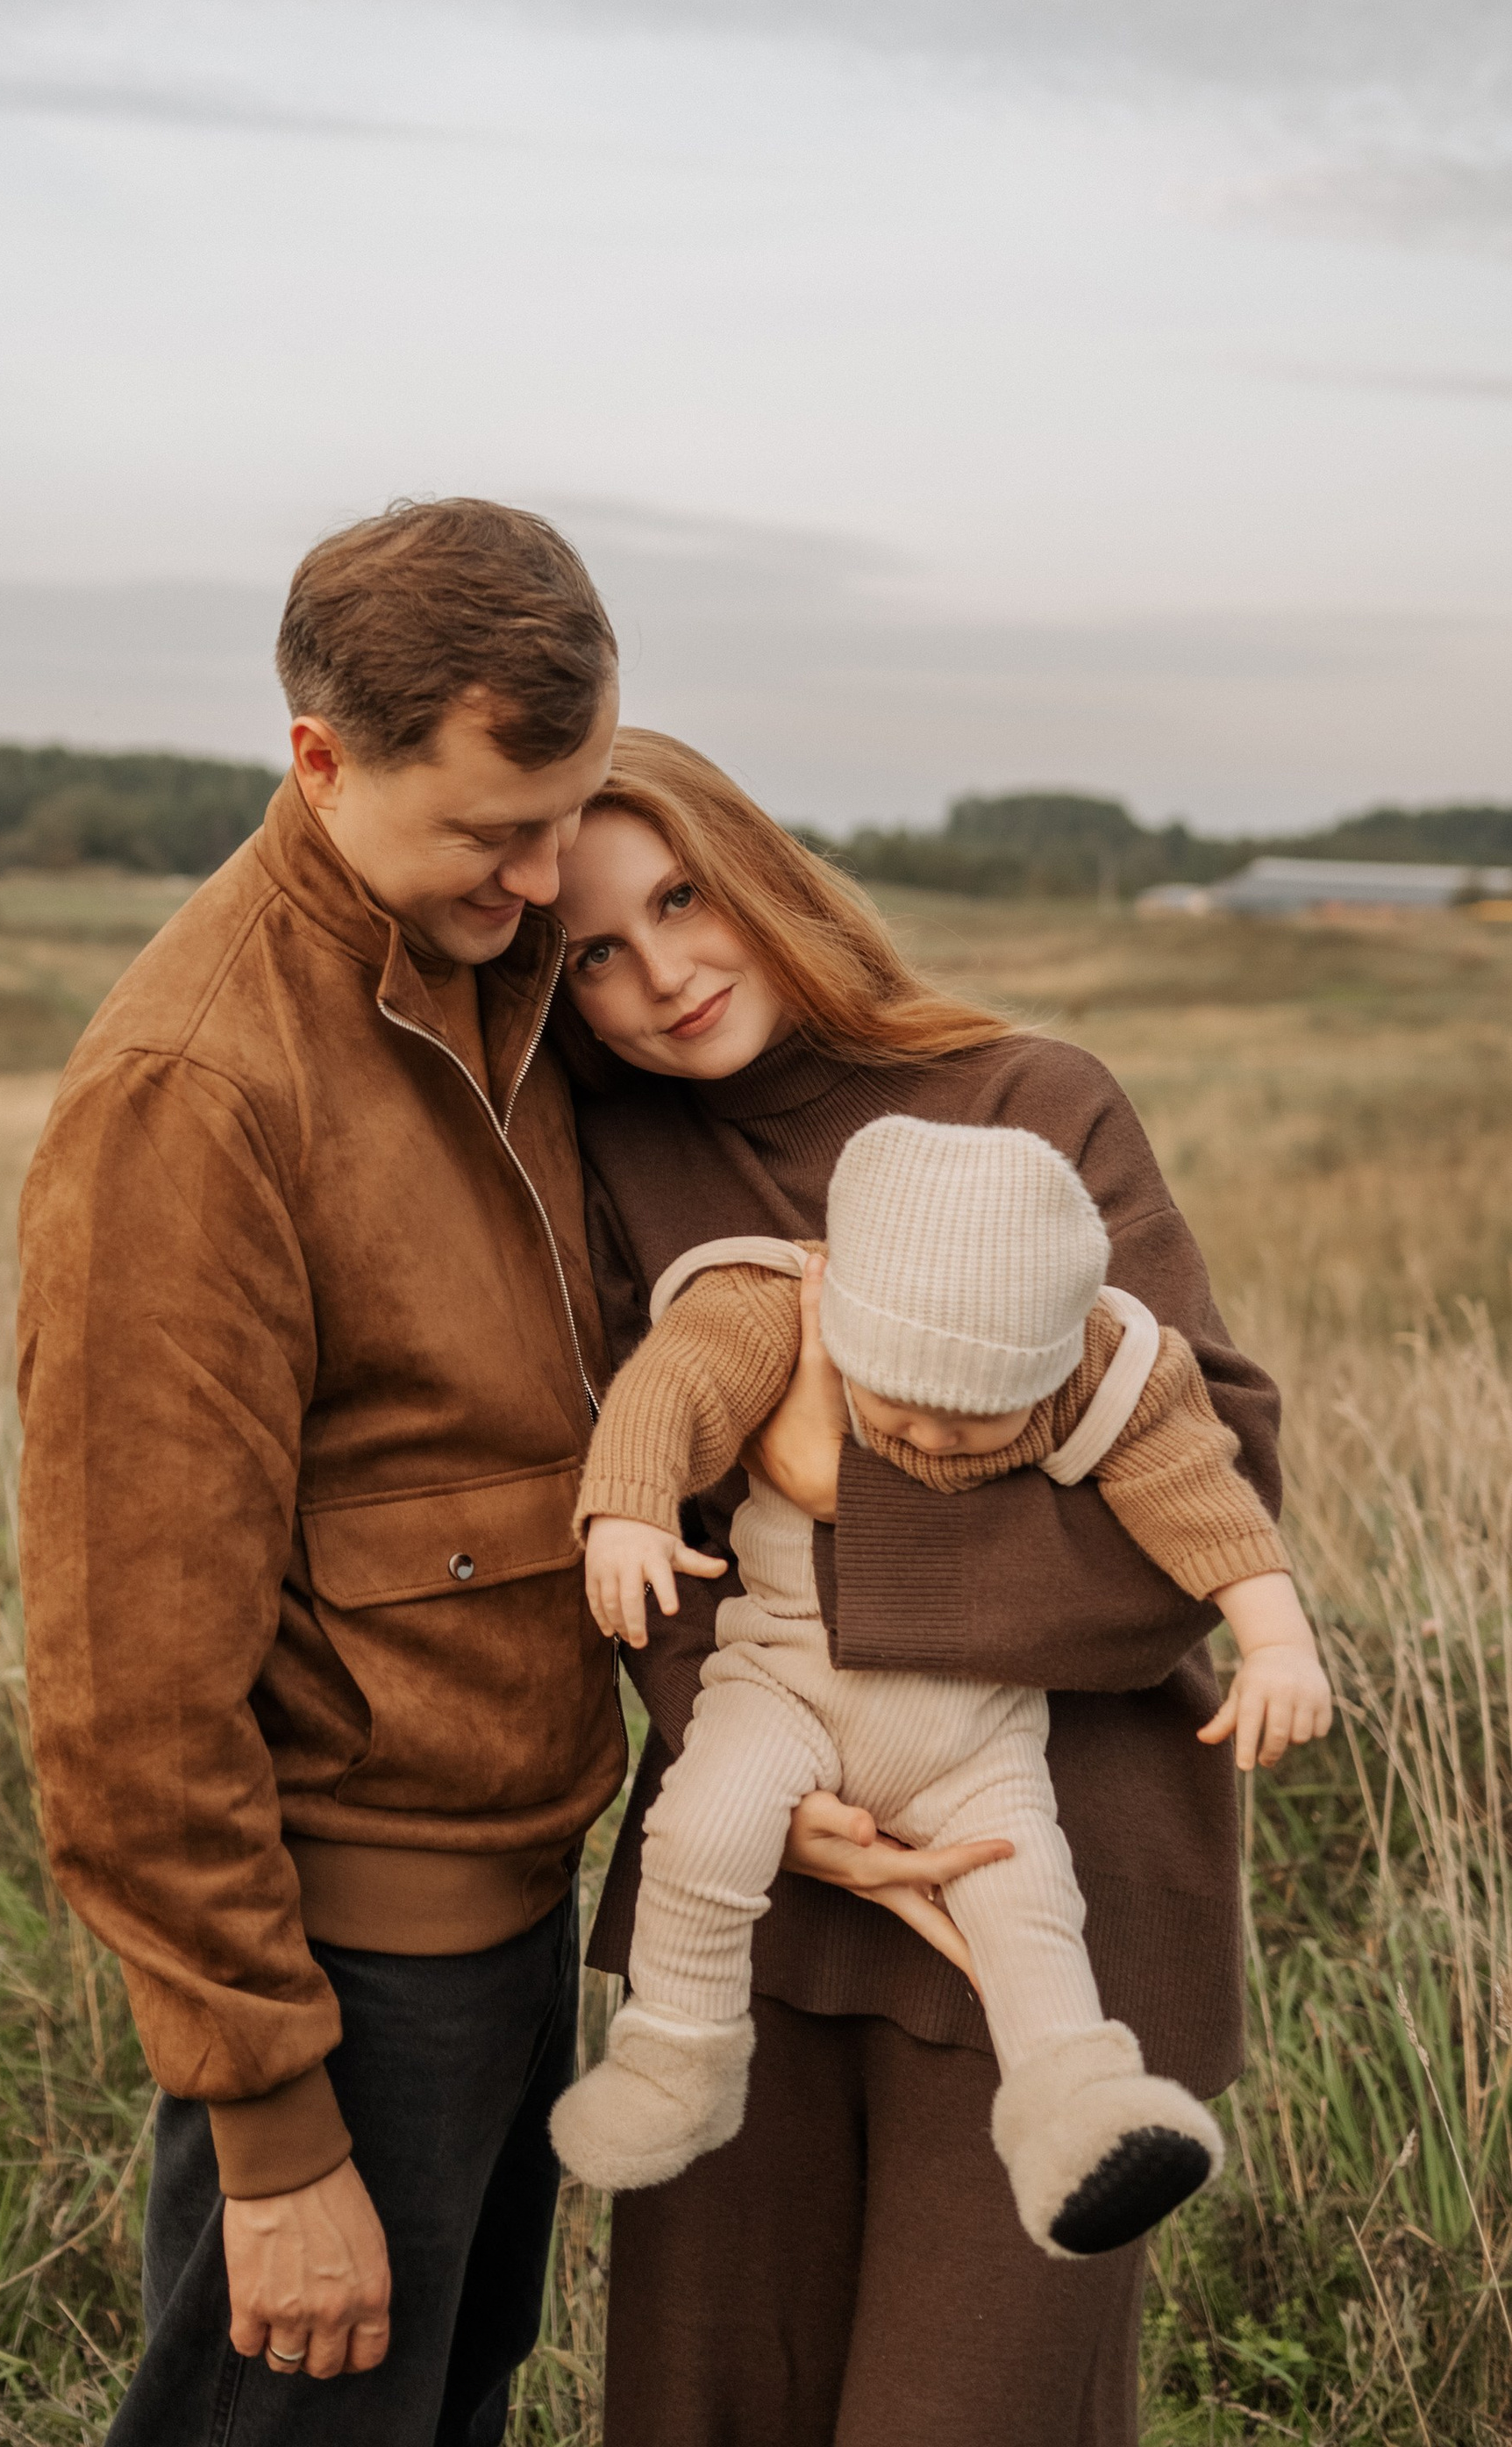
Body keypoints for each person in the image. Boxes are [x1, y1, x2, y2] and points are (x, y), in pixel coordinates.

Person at [548, 729, 1286, 2447]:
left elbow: (1198, 1486)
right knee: (708, 2408)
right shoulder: (611, 1165)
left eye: (680, 896)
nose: (659, 973)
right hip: (752, 1900)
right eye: (590, 949)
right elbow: (623, 1507)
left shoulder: (1030, 1098)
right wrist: (756, 1760)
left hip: (1046, 1887)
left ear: (762, 873)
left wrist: (823, 1484)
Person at [16, 497, 630, 2445]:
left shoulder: (489, 969)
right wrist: (275, 2138)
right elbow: (129, 1683)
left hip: (518, 1913)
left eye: (566, 812)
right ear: (316, 759)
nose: (544, 879)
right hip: (350, 1974)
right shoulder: (193, 1089)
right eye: (490, 829)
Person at [550, 1116, 1330, 2253]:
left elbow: (1198, 1500)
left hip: (974, 1727)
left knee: (1027, 1903)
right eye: (897, 1402)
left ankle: (1081, 2104)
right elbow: (673, 1387)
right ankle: (678, 2055)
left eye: (972, 1421)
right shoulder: (785, 1298)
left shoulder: (1102, 1370)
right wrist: (626, 1506)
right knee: (703, 1830)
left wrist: (1280, 1643)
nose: (926, 1438)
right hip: (785, 1680)